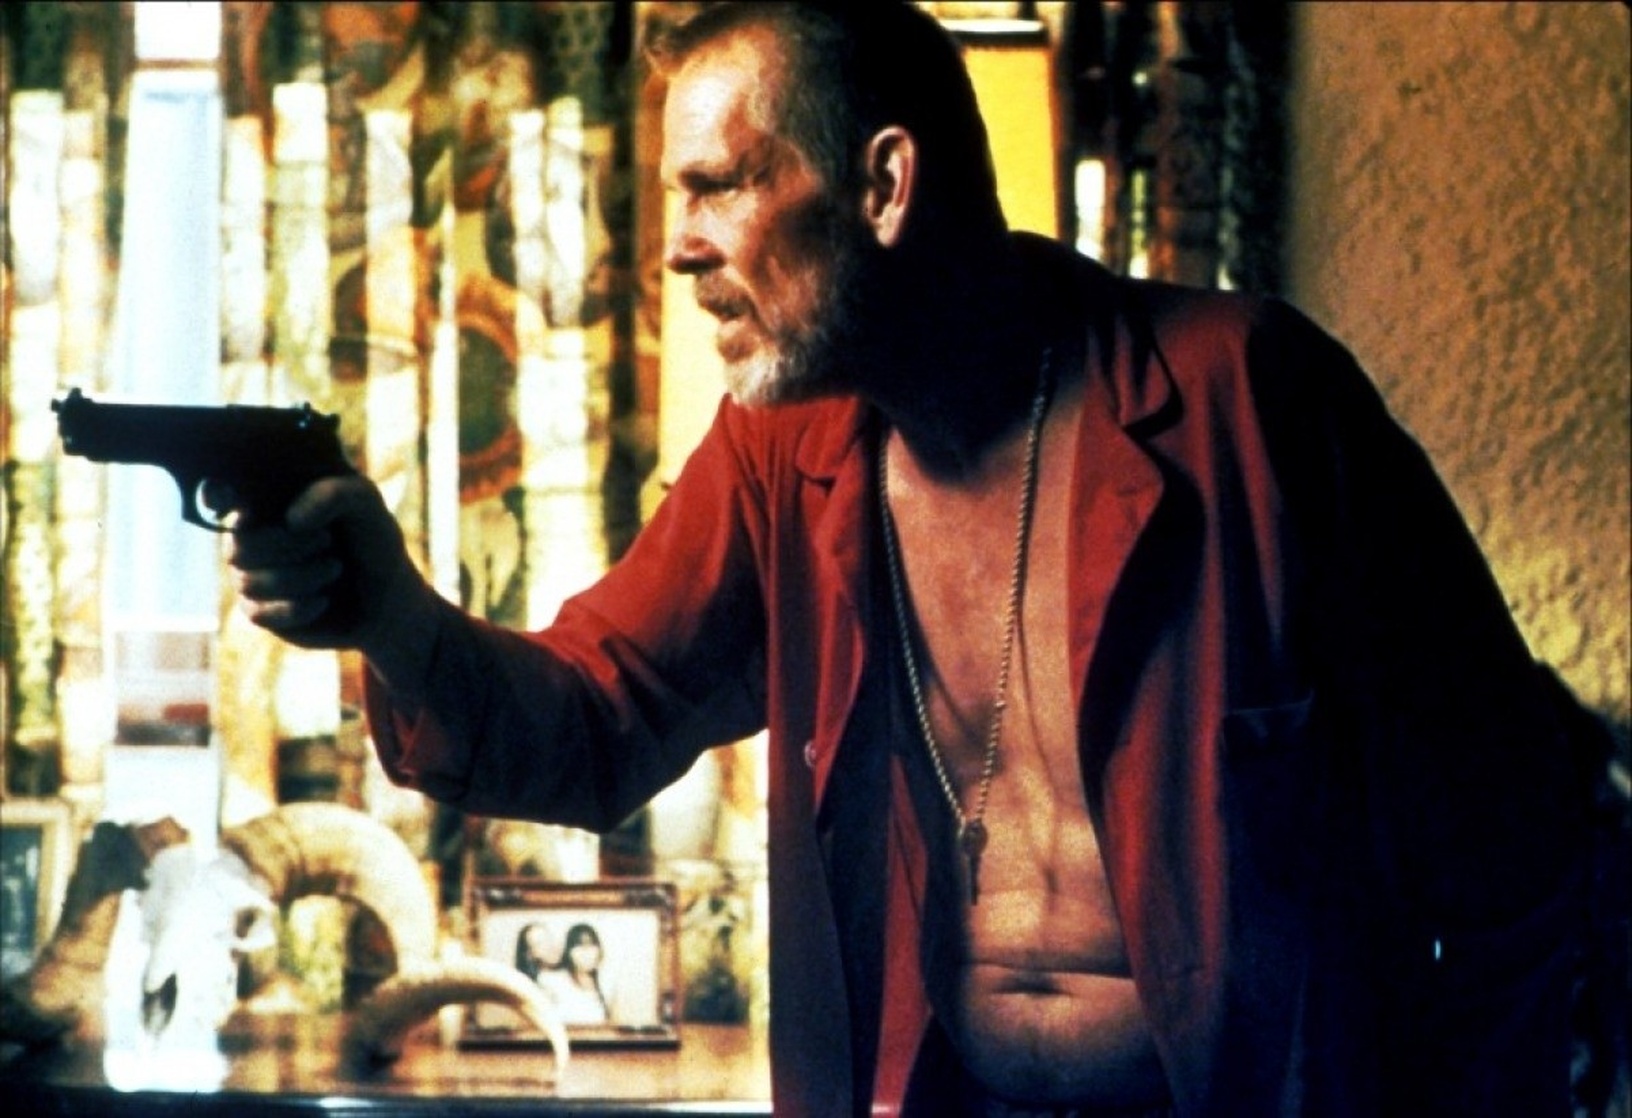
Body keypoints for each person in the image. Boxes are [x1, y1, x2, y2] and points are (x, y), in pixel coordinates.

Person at [227, 4, 1589, 1114]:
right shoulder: (781, 451)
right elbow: (591, 720)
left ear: (882, 184)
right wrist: (389, 613)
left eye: (718, 186)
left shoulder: (1246, 397)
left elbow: (1518, 838)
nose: (679, 247)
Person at [535, 922, 613, 1027]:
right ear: (568, 952)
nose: (586, 953)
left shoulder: (606, 984)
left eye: (591, 945)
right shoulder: (551, 980)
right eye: (579, 946)